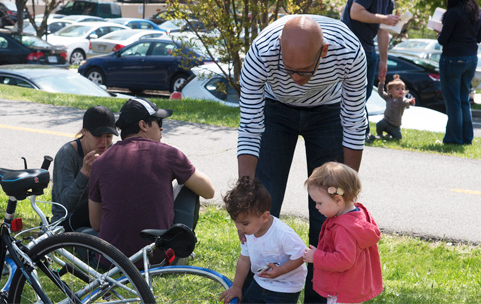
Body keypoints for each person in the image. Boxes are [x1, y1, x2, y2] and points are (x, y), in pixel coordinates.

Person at [238, 14, 367, 303]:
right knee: (261, 206)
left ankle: (320, 298)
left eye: (305, 70)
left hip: (329, 113)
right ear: (279, 48)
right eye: (289, 69)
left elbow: (355, 121)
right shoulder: (261, 53)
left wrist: (347, 194)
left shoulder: (349, 51)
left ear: (324, 51)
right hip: (275, 109)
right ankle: (255, 295)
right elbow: (249, 125)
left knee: (329, 210)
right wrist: (246, 191)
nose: (296, 79)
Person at [88, 98, 215, 266]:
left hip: (110, 260)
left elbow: (96, 223)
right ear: (143, 125)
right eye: (158, 121)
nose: (162, 128)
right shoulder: (169, 154)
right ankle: (182, 251)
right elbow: (208, 191)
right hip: (156, 258)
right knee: (189, 187)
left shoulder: (100, 162)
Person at [341, 0, 417, 142]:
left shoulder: (389, 2)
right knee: (351, 93)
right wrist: (383, 19)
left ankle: (359, 131)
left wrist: (383, 60)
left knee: (365, 94)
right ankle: (357, 131)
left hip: (368, 49)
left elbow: (383, 32)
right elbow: (355, 12)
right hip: (350, 45)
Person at [303, 162, 383, 303]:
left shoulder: (343, 228)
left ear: (338, 200)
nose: (316, 206)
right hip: (352, 286)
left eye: (319, 203)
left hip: (341, 291)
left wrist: (316, 257)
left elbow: (343, 260)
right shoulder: (358, 213)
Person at [219, 176, 307, 304]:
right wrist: (237, 287)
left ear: (265, 217)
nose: (239, 228)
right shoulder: (249, 232)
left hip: (286, 286)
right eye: (236, 222)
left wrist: (281, 270)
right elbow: (244, 259)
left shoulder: (282, 234)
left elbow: (301, 255)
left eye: (244, 223)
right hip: (261, 280)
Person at [51, 105, 118, 232]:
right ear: (84, 132)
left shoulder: (110, 149)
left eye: (108, 136)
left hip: (97, 214)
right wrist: (84, 173)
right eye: (98, 135)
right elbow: (65, 204)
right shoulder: (67, 153)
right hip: (67, 219)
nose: (104, 142)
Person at [437, 0, 481, 145]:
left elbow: (443, 40)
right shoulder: (478, 11)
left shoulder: (453, 12)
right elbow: (478, 38)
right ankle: (466, 138)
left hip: (452, 59)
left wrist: (439, 32)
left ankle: (453, 139)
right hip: (471, 58)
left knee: (453, 101)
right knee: (464, 99)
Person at [376, 74, 415, 140]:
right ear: (391, 91)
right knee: (379, 124)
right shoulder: (388, 98)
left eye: (402, 89)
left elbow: (406, 102)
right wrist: (381, 83)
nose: (401, 90)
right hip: (386, 121)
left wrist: (410, 102)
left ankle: (389, 134)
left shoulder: (402, 100)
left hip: (395, 125)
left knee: (398, 138)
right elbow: (380, 92)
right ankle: (379, 135)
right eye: (397, 89)